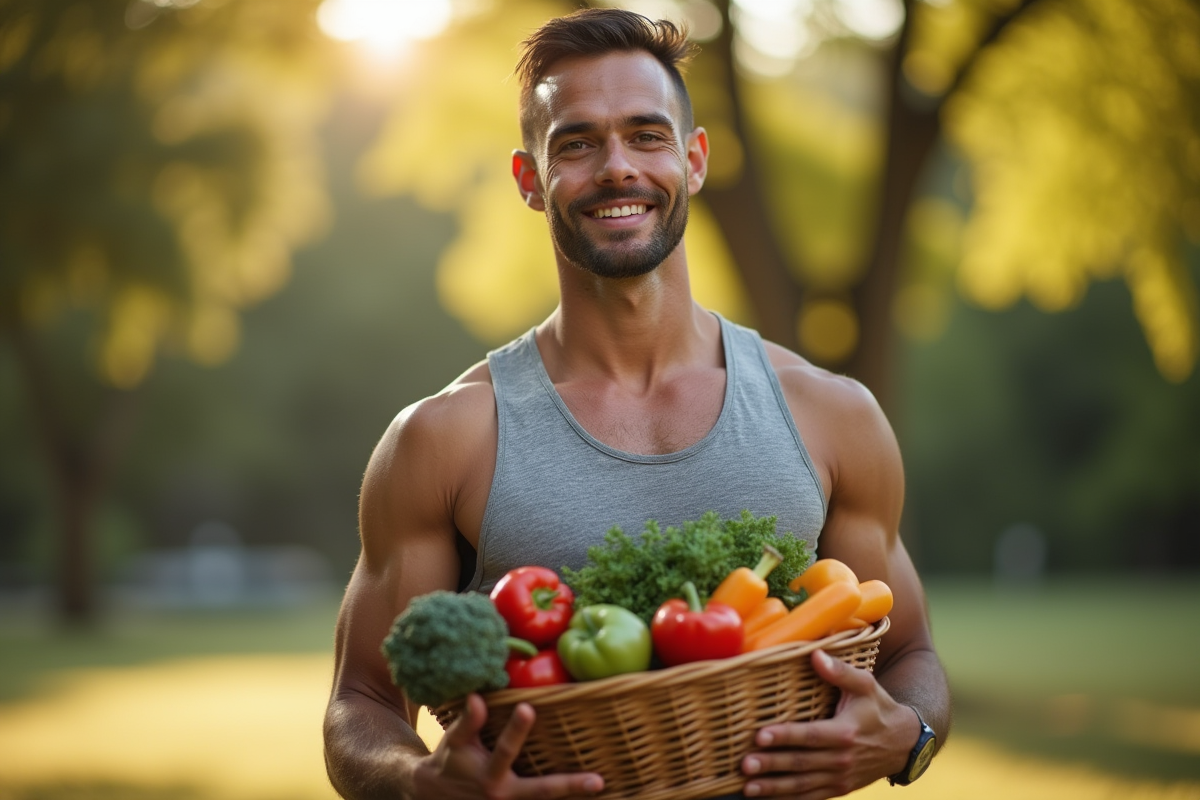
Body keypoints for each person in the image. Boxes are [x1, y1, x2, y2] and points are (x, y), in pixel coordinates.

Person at [323, 8, 950, 800]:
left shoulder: (832, 414)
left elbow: (913, 656)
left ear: (693, 161)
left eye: (646, 136)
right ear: (529, 180)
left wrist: (908, 737)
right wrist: (417, 784)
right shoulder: (445, 438)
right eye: (577, 144)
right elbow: (362, 702)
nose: (617, 168)